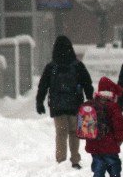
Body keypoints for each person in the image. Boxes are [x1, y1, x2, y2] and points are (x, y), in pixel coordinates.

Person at [36, 35, 94, 168]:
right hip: (75, 104)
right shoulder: (78, 65)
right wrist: (90, 99)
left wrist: (39, 102)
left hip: (58, 106)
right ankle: (75, 160)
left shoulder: (51, 67)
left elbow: (43, 85)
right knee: (74, 132)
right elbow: (87, 83)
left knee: (61, 133)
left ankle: (61, 160)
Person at [84, 77, 123, 177]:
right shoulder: (113, 107)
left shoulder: (91, 105)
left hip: (94, 144)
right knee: (114, 166)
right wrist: (119, 139)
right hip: (110, 145)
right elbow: (119, 125)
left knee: (98, 167)